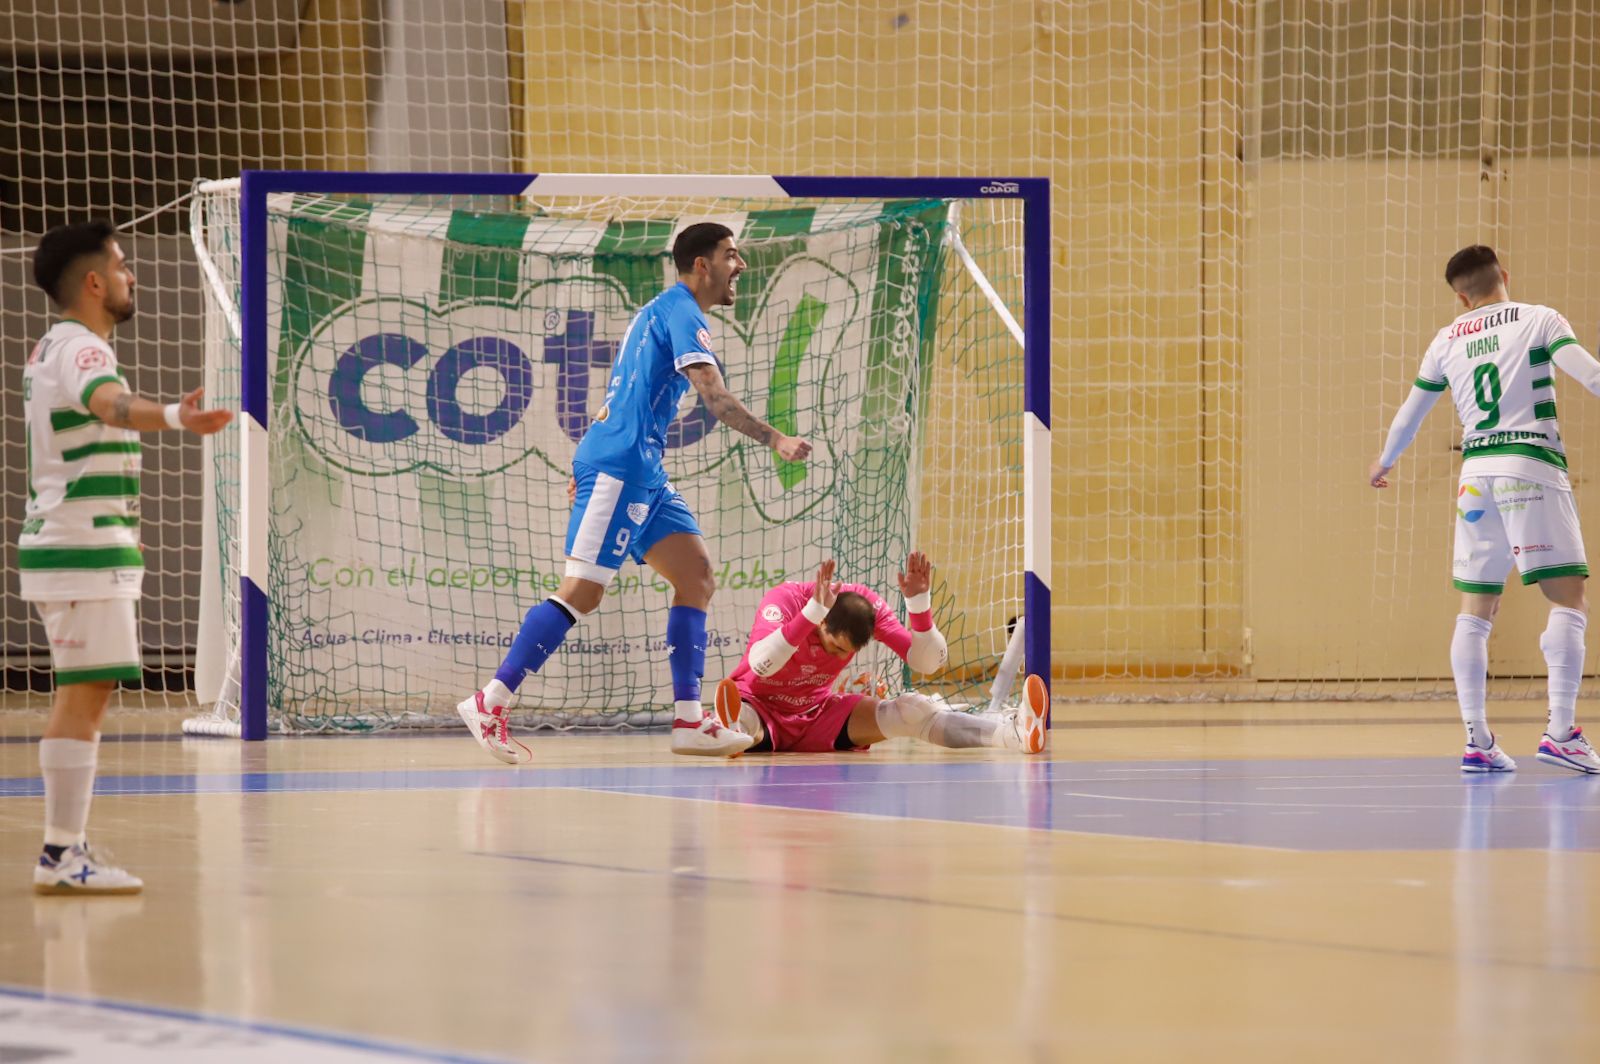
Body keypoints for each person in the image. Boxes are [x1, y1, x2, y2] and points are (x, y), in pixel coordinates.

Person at [457, 223, 813, 761]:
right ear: (701, 265)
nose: (739, 266)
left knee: (695, 576)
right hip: (621, 468)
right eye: (730, 256)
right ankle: (490, 701)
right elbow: (714, 400)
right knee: (583, 592)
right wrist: (775, 438)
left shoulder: (663, 310)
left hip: (639, 468)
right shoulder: (685, 314)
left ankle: (689, 722)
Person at [23, 220, 234, 893]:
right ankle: (62, 853)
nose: (130, 275)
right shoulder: (83, 350)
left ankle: (66, 847)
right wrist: (176, 415)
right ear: (93, 282)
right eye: (120, 265)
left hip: (86, 543)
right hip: (78, 549)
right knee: (84, 695)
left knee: (88, 691)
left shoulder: (57, 346)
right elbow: (108, 406)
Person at [1370, 244, 1600, 774]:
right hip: (1530, 465)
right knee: (1568, 600)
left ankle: (1477, 740)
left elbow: (1411, 414)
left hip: (1474, 479)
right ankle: (1561, 731)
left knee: (1475, 612)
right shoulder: (1540, 319)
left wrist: (1384, 462)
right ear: (1505, 275)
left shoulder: (1446, 339)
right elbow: (1587, 374)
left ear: (1460, 296)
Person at [712, 554, 1048, 755]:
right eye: (835, 647)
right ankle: (734, 729)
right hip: (761, 705)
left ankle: (1011, 734)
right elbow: (761, 665)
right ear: (822, 623)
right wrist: (810, 615)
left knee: (912, 711)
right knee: (747, 721)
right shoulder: (785, 600)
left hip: (817, 713)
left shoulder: (865, 604)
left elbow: (927, 663)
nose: (838, 655)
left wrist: (919, 607)